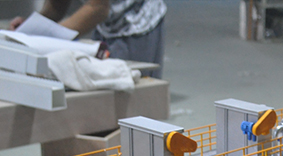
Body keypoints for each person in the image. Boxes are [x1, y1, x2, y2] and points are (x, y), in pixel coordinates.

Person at [10, 0, 166, 77]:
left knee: (133, 104)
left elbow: (98, 9)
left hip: (135, 22)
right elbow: (58, 3)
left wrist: (51, 37)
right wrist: (33, 26)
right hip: (105, 23)